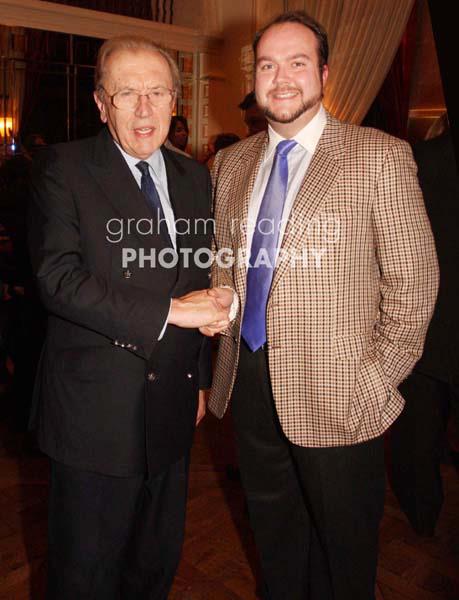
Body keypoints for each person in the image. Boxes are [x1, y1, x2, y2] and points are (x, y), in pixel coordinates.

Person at [205, 11, 439, 600]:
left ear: (326, 73)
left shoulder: (379, 157)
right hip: (249, 382)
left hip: (342, 393)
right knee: (276, 541)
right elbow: (224, 264)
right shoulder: (229, 165)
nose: (280, 79)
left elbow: (414, 289)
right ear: (254, 78)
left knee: (344, 556)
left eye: (297, 63)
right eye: (267, 65)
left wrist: (374, 382)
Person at [28, 35, 231, 600]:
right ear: (101, 103)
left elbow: (193, 283)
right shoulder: (63, 169)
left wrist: (202, 379)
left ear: (175, 100)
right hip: (96, 413)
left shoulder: (195, 178)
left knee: (155, 561)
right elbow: (58, 280)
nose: (144, 108)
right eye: (127, 93)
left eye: (157, 92)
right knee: (84, 574)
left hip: (171, 405)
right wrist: (172, 313)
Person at [390, 128, 459, 536]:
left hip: (425, 328)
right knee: (416, 438)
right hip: (425, 330)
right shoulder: (416, 158)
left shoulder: (420, 157)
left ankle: (423, 519)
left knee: (416, 441)